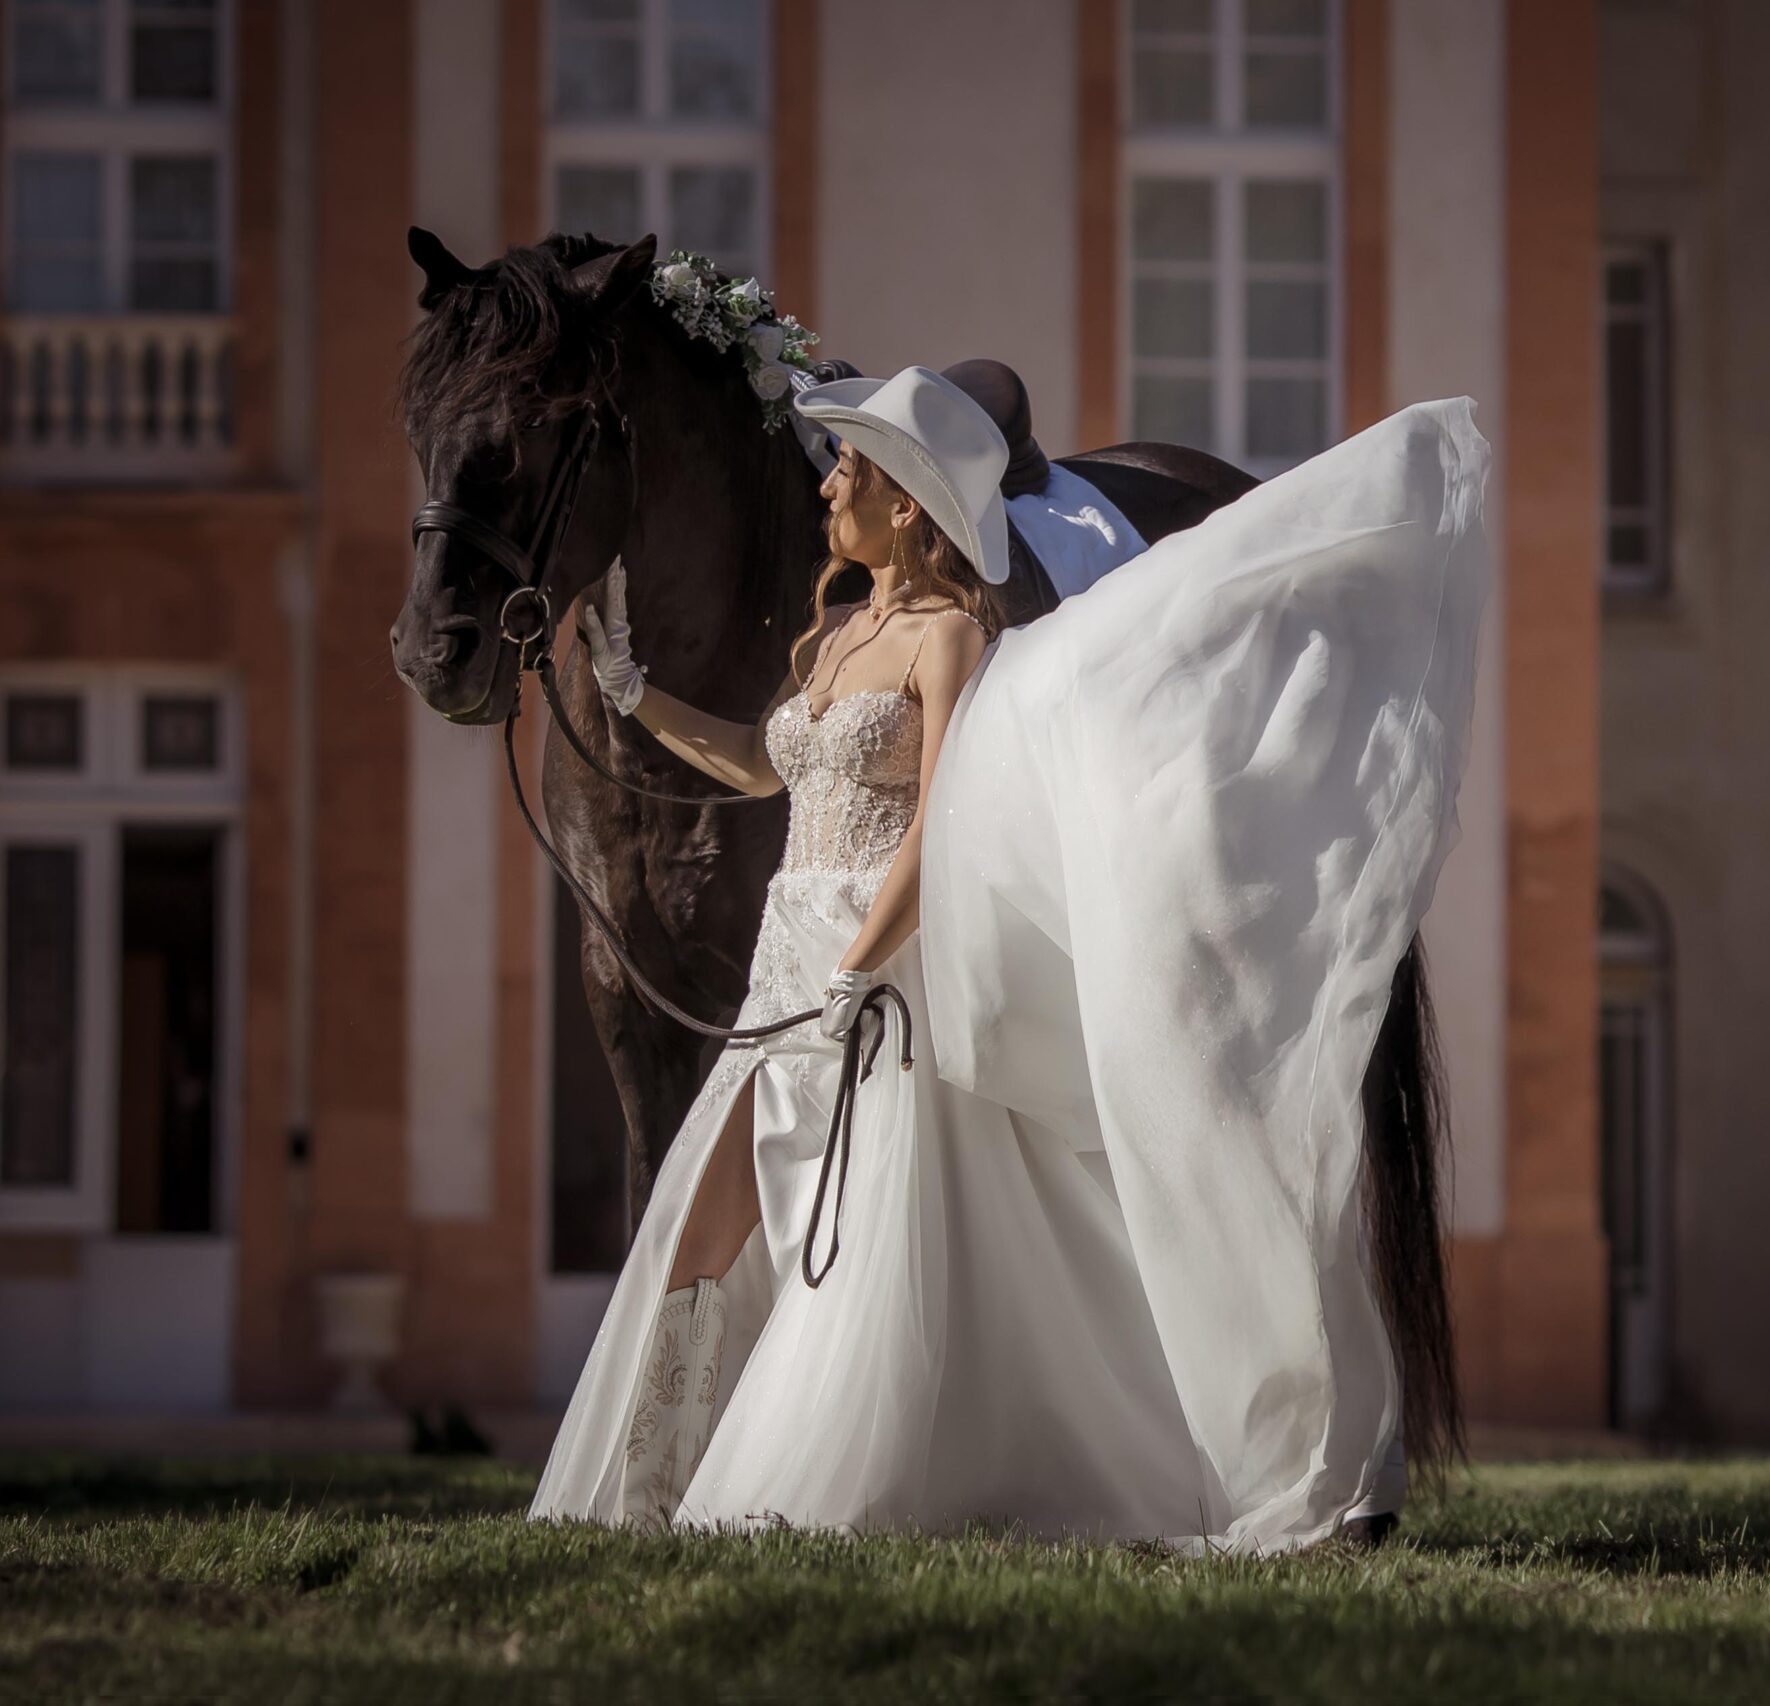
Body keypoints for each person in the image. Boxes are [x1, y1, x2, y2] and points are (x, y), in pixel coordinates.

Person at [529, 365, 1489, 1550]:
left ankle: (859, 1478)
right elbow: (761, 763)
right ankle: (649, 1486)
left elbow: (940, 825)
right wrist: (636, 695)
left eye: (854, 469)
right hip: (787, 968)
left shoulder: (950, 642)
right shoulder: (830, 636)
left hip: (874, 974)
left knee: (875, 1228)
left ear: (908, 505)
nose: (829, 482)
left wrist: (859, 965)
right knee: (704, 1220)